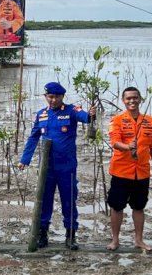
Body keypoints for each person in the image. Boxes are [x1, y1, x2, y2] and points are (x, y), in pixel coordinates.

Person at [18, 82, 96, 250]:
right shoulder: (41, 115)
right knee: (44, 201)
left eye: (57, 97)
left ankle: (70, 236)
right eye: (50, 97)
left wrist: (90, 115)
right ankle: (42, 235)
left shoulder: (71, 111)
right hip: (47, 167)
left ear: (62, 97)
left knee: (68, 200)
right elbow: (33, 138)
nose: (53, 100)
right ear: (46, 97)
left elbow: (85, 118)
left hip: (66, 167)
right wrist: (25, 159)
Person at [105, 87, 152, 251]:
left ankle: (139, 240)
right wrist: (128, 147)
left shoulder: (150, 121)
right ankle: (115, 240)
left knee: (139, 206)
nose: (132, 101)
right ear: (123, 100)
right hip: (121, 170)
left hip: (142, 171)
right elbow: (114, 142)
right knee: (117, 206)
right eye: (128, 98)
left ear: (140, 99)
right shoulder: (116, 120)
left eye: (135, 98)